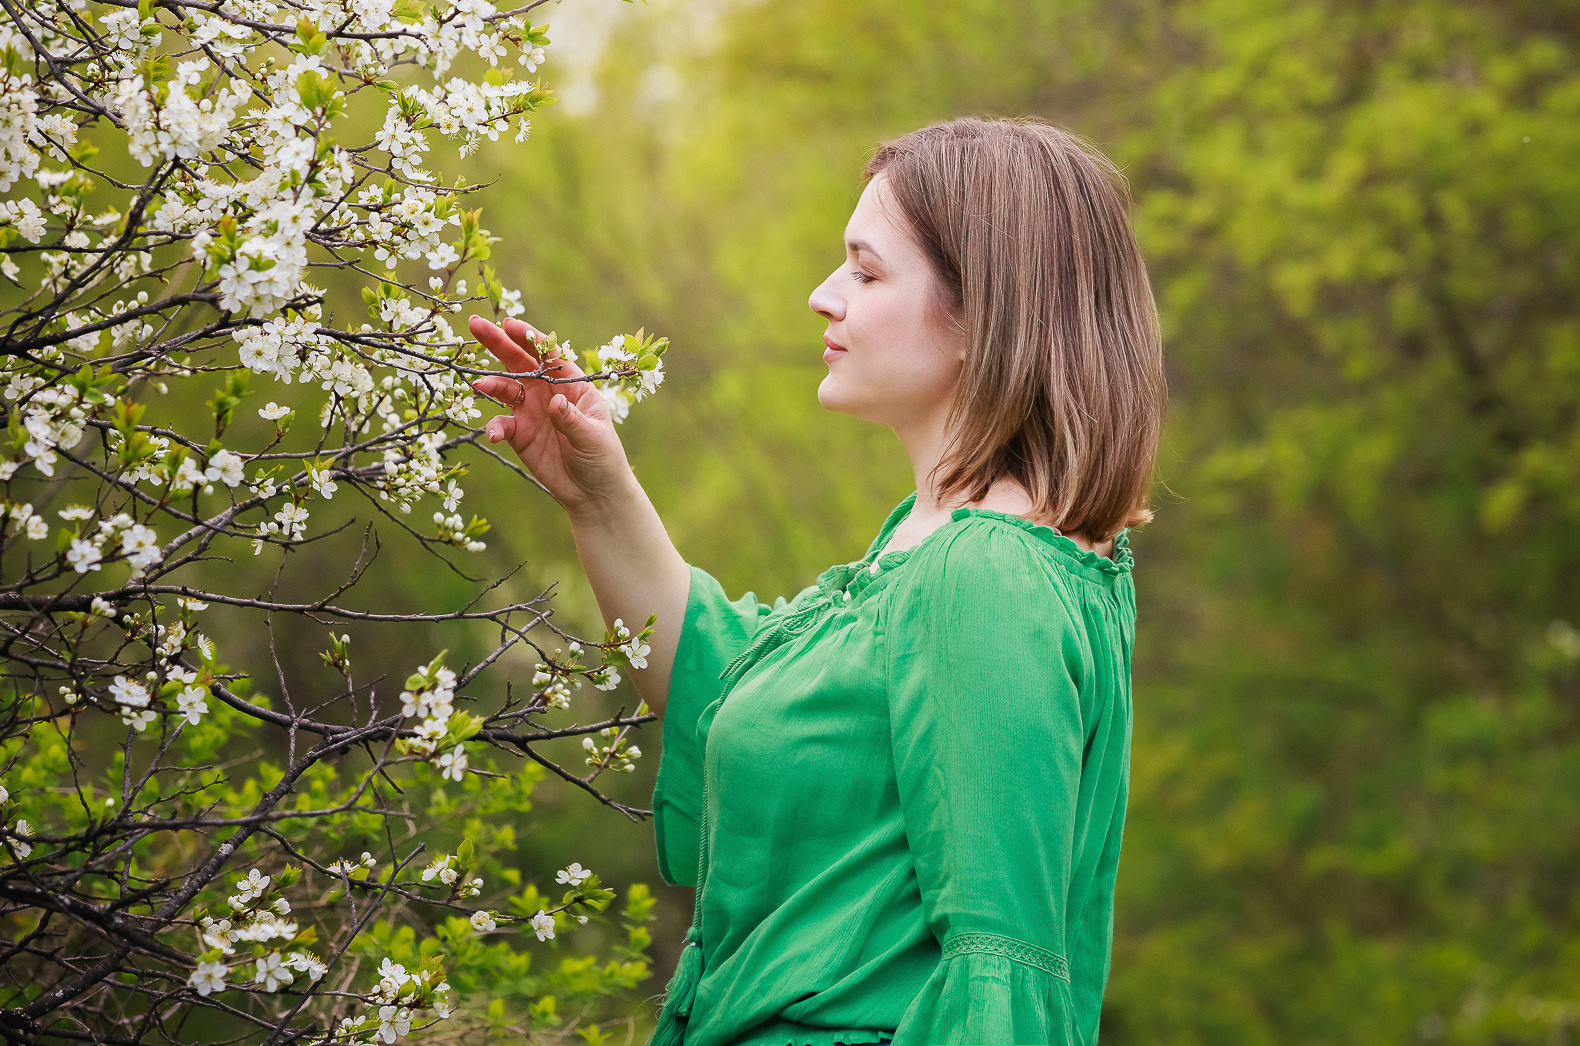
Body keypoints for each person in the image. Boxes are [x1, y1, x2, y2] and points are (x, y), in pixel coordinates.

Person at [467, 116, 1166, 1046]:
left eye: (867, 271)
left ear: (985, 314)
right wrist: (600, 497)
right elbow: (743, 699)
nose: (821, 295)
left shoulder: (985, 572)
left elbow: (998, 979)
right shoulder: (930, 546)